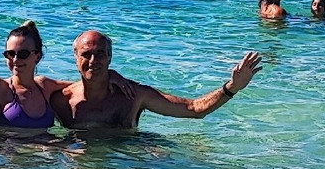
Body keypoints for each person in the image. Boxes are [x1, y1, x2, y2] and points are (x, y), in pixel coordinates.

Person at [0, 21, 135, 131]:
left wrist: (110, 74)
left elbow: (85, 83)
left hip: (43, 165)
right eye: (10, 54)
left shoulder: (45, 86)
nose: (16, 59)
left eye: (23, 54)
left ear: (37, 57)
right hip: (10, 168)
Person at [50, 29, 262, 130]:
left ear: (110, 57)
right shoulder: (60, 100)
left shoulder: (133, 96)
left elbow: (194, 109)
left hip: (126, 166)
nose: (93, 61)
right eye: (86, 54)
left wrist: (232, 87)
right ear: (76, 58)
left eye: (100, 54)